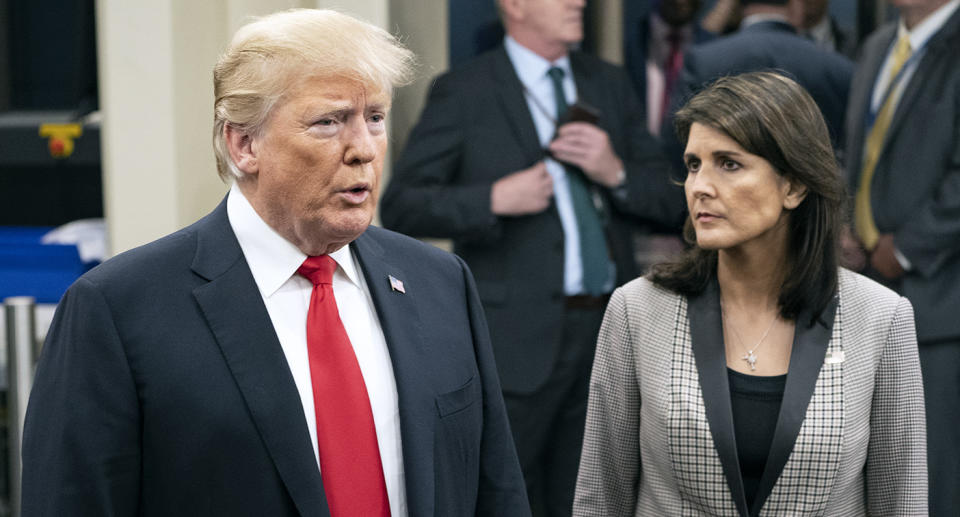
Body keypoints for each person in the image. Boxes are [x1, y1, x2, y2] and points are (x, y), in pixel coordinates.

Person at [21, 9, 530, 517]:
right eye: (328, 122)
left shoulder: (439, 281)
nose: (364, 150)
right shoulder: (117, 310)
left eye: (374, 117)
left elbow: (496, 490)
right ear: (244, 145)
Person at [573, 71, 927, 516]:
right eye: (693, 164)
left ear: (794, 186)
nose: (699, 186)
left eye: (729, 163)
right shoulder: (637, 310)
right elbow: (600, 497)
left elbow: (903, 502)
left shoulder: (881, 317)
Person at [380, 0, 682, 514]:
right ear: (514, 5)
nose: (579, 2)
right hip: (514, 340)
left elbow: (674, 202)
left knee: (595, 496)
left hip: (607, 332)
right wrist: (492, 199)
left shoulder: (606, 83)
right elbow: (402, 205)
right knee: (510, 496)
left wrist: (617, 173)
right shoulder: (466, 90)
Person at [843, 0, 960, 514]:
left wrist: (908, 247)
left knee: (931, 477)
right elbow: (859, 154)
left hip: (938, 300)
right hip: (865, 290)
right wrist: (843, 222)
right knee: (877, 471)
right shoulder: (875, 47)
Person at [661, 0, 853, 174]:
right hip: (811, 205)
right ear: (795, 5)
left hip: (721, 202)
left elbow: (675, 143)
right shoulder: (838, 68)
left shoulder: (703, 61)